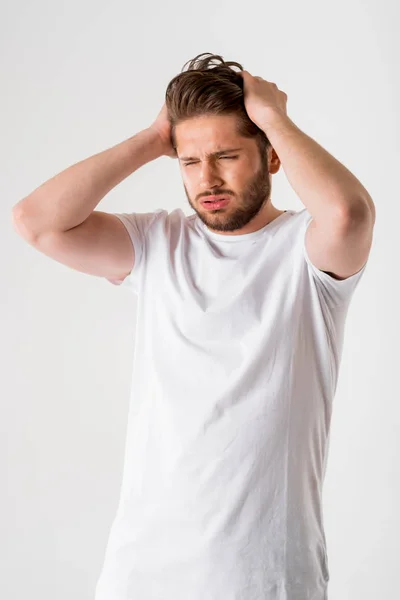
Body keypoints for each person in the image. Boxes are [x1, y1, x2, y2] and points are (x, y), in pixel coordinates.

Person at [12, 53, 375, 600]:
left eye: (227, 156)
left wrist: (274, 117)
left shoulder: (309, 252)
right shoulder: (158, 244)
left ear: (272, 158)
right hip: (141, 577)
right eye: (188, 161)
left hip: (268, 581)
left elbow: (350, 213)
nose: (206, 178)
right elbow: (35, 222)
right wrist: (154, 135)